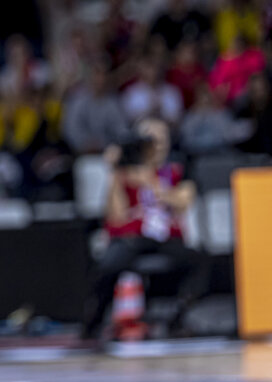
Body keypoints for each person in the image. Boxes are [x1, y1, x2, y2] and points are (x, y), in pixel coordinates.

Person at [79, 118, 207, 342]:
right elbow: (116, 216)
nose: (155, 146)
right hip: (131, 237)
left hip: (165, 236)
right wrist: (115, 172)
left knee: (199, 260)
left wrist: (150, 181)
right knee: (109, 263)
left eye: (160, 140)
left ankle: (177, 319)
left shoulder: (177, 169)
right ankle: (95, 321)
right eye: (150, 140)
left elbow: (184, 201)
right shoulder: (125, 172)